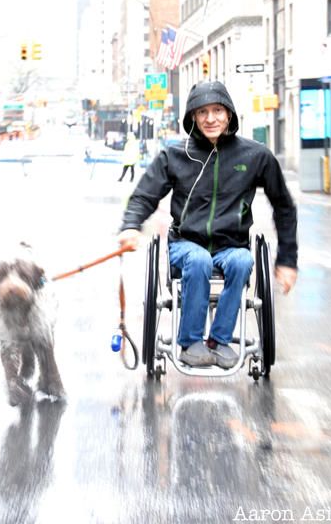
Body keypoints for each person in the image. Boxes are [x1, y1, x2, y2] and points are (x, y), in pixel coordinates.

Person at [116, 81, 298, 369]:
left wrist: (287, 260)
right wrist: (130, 226)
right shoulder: (174, 156)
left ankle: (219, 341)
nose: (210, 118)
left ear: (229, 115)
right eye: (202, 112)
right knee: (198, 259)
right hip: (185, 245)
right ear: (192, 117)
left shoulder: (255, 156)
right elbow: (143, 196)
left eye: (217, 110)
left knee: (242, 261)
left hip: (231, 245)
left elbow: (284, 207)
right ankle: (190, 342)